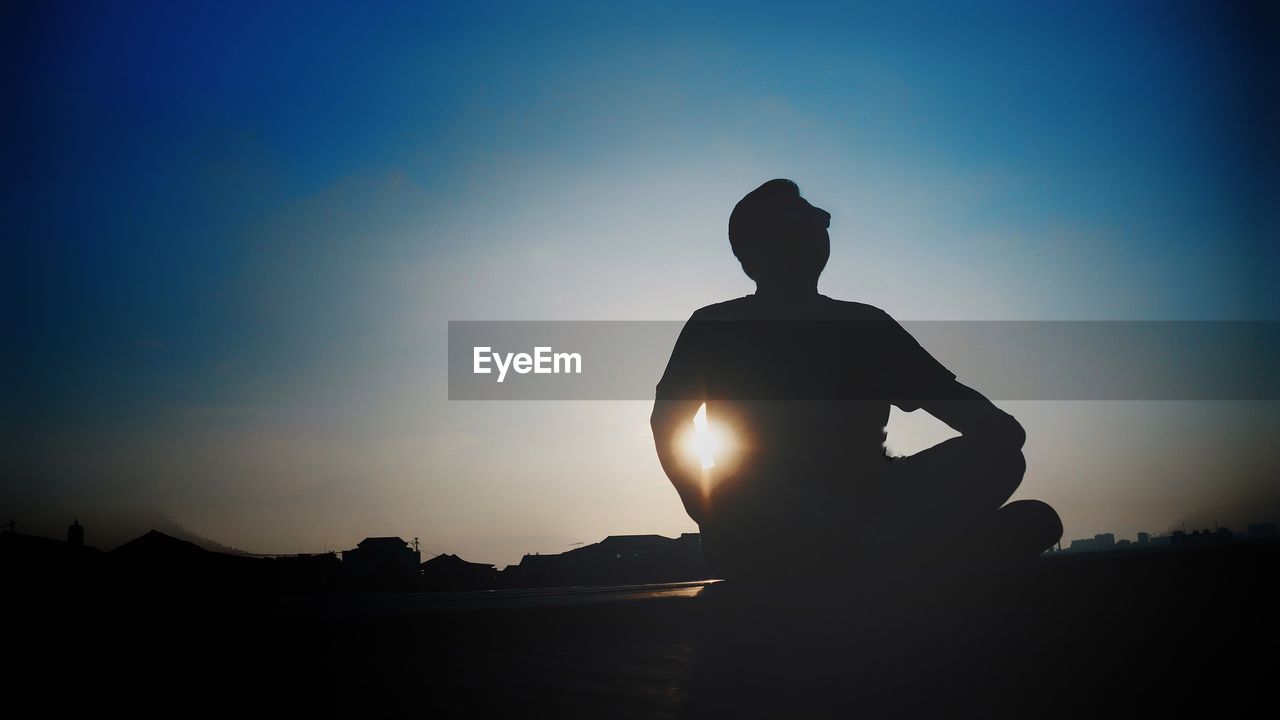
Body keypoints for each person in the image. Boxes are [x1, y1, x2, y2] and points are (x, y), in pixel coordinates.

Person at [650, 179, 1062, 584]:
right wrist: (709, 510)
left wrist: (708, 510)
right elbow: (990, 427)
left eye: (820, 217)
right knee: (1016, 488)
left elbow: (668, 424)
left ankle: (875, 557)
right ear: (765, 242)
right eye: (809, 216)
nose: (823, 224)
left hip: (780, 529)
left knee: (1017, 485)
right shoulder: (857, 325)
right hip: (785, 523)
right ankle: (904, 558)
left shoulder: (723, 325)